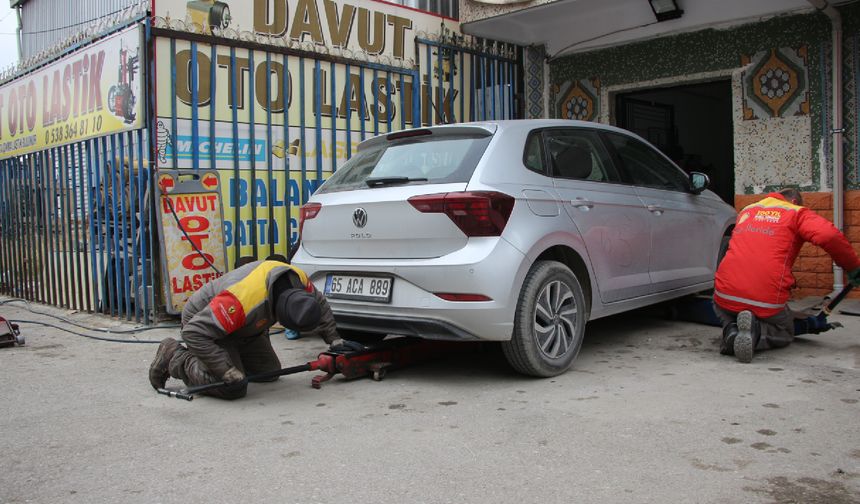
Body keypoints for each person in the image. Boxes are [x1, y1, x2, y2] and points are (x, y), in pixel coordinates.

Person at [148, 258, 342, 399]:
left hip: (246, 327)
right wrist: (225, 370)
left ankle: (232, 358)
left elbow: (320, 304)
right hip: (206, 325)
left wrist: (335, 340)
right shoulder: (243, 300)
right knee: (233, 387)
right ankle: (175, 356)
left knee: (269, 373)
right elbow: (193, 333)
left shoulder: (297, 280)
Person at [714, 188, 860, 363]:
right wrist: (852, 267)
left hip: (723, 294)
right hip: (764, 298)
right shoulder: (796, 213)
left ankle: (731, 329)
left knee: (725, 307)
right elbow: (828, 235)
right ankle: (756, 333)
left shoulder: (748, 209)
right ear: (794, 201)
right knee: (785, 330)